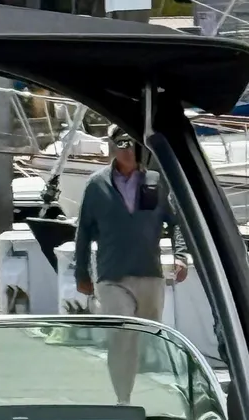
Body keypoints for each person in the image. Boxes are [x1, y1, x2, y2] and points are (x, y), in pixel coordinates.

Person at [74, 125, 189, 404]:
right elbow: (84, 232)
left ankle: (152, 396)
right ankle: (122, 398)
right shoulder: (96, 185)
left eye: (134, 143)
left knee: (146, 338)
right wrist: (81, 273)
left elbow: (177, 223)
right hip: (111, 276)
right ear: (112, 146)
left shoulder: (155, 181)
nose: (129, 150)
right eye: (123, 143)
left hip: (149, 274)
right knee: (123, 333)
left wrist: (181, 255)